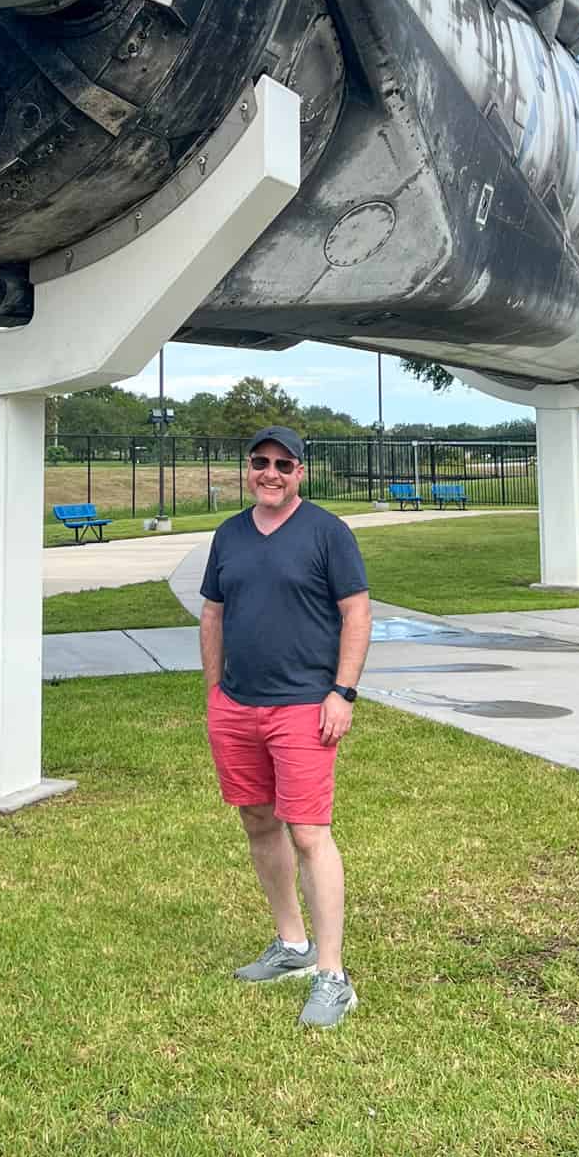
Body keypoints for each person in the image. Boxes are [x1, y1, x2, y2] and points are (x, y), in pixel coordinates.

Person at [199, 425, 372, 1028]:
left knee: (308, 833)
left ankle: (332, 975)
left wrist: (342, 692)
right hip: (238, 706)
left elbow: (357, 612)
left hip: (304, 705)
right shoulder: (229, 535)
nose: (270, 473)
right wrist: (215, 693)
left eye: (283, 464)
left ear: (302, 471)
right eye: (260, 463)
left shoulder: (328, 533)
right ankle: (291, 945)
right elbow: (213, 612)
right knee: (257, 819)